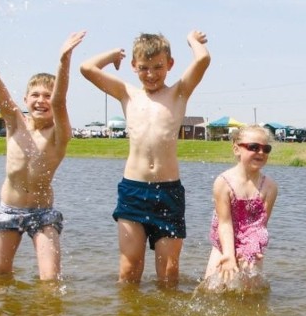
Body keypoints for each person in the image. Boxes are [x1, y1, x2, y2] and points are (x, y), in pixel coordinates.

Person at [0, 0, 85, 280]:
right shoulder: (14, 123)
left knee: (49, 281)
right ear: (25, 99)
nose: (41, 100)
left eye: (46, 95)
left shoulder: (59, 134)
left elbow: (60, 102)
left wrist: (63, 61)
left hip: (43, 212)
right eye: (35, 95)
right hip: (8, 209)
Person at [80, 30, 210, 285]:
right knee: (129, 268)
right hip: (133, 191)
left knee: (169, 271)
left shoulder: (179, 92)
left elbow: (203, 60)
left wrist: (192, 41)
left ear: (170, 64)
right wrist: (113, 55)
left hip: (168, 192)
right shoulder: (127, 93)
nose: (151, 74)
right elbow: (86, 68)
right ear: (133, 67)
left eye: (158, 67)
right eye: (144, 68)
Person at [201, 125, 278, 292]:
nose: (261, 152)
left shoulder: (269, 187)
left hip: (251, 241)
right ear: (236, 149)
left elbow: (260, 225)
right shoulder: (223, 182)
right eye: (253, 147)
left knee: (250, 292)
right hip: (223, 242)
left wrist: (254, 247)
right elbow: (225, 223)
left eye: (266, 148)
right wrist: (228, 254)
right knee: (210, 290)